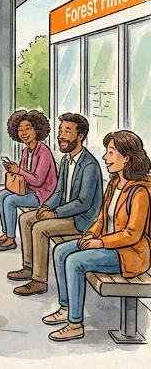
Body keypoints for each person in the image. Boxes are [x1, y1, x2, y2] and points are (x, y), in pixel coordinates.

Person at [45, 130, 150, 341]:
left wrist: (99, 242)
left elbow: (132, 234)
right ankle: (66, 307)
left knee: (75, 261)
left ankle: (75, 324)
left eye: (111, 153)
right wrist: (91, 235)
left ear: (126, 158)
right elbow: (102, 219)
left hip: (129, 255)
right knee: (61, 250)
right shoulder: (113, 184)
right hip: (107, 245)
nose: (105, 158)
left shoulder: (139, 192)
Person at [9, 113, 104, 295]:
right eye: (60, 131)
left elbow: (83, 203)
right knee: (26, 219)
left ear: (80, 136)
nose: (61, 136)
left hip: (82, 221)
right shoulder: (67, 160)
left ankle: (39, 280)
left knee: (39, 228)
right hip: (66, 214)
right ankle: (28, 267)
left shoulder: (89, 165)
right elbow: (59, 192)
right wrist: (47, 207)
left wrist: (54, 214)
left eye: (67, 132)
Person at [0, 110, 58, 252]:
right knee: (2, 195)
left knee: (10, 201)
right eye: (20, 130)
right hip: (30, 190)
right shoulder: (26, 152)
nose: (24, 133)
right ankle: (6, 232)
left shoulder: (44, 152)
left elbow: (38, 180)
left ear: (37, 129)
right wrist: (13, 169)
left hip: (43, 195)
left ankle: (10, 239)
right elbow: (23, 175)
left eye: (28, 128)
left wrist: (18, 171)